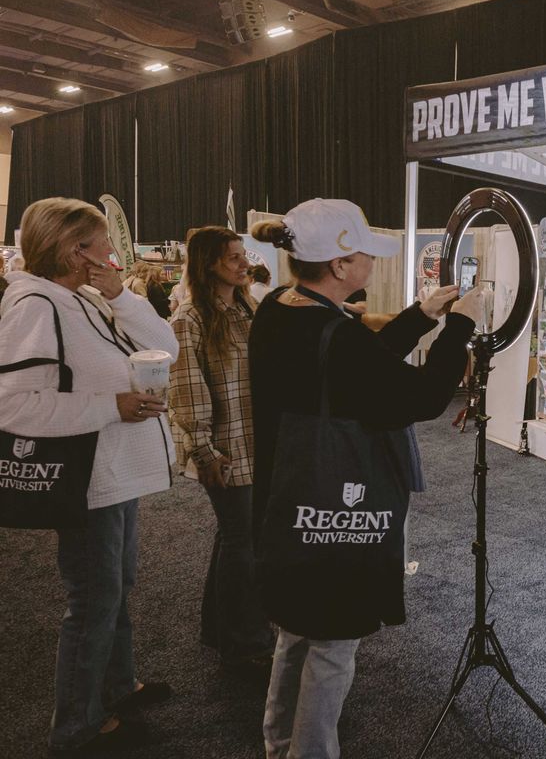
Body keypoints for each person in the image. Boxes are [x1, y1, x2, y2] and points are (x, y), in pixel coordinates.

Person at [247, 198, 481, 759]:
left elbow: (352, 362)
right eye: (365, 255)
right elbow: (418, 397)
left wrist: (422, 316)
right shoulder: (335, 332)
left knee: (294, 630)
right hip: (337, 510)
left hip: (288, 497)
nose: (372, 265)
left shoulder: (280, 307)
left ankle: (278, 744)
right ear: (339, 265)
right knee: (332, 646)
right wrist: (461, 329)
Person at [0, 198, 177, 753]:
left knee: (115, 590)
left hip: (115, 473)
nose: (115, 253)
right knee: (94, 600)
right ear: (77, 250)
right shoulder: (34, 303)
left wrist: (121, 295)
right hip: (89, 479)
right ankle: (75, 727)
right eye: (105, 243)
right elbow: (13, 405)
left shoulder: (83, 299)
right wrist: (110, 406)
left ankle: (116, 689)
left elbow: (164, 347)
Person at [169, 226, 274, 676]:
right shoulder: (189, 318)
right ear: (210, 263)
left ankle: (220, 629)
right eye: (233, 258)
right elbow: (187, 392)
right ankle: (246, 642)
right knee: (242, 541)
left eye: (242, 256)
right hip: (225, 447)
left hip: (254, 439)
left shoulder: (246, 307)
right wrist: (204, 450)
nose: (243, 264)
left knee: (235, 536)